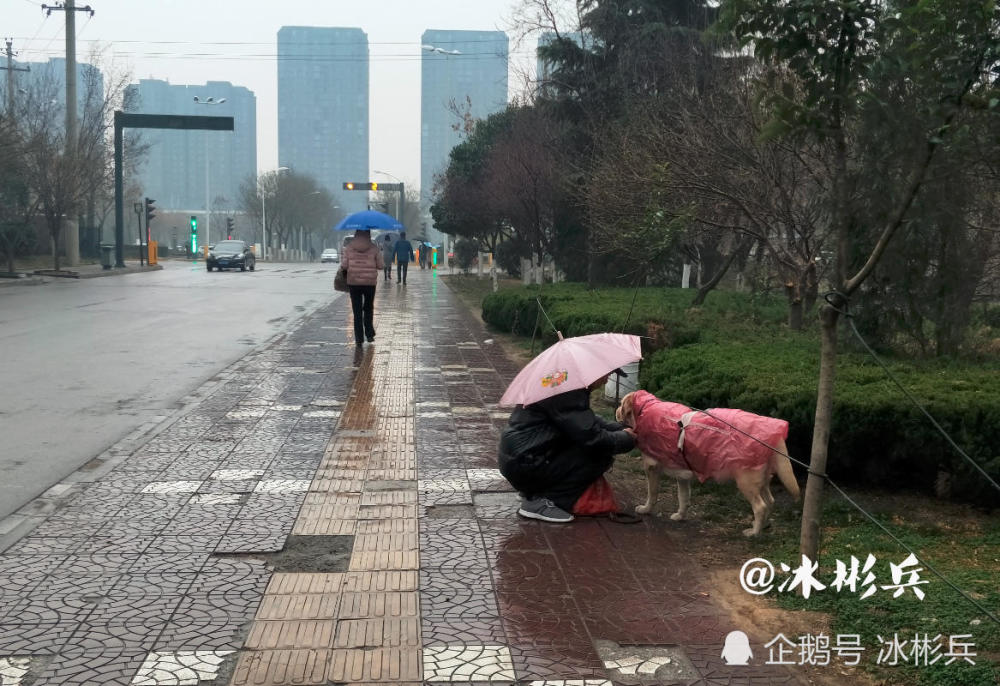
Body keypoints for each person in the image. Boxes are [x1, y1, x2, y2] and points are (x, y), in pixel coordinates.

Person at [497, 372, 636, 523]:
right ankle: (543, 501)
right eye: (605, 375)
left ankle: (533, 490)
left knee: (586, 446)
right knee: (598, 455)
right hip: (527, 464)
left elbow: (585, 422)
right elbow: (594, 439)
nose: (606, 380)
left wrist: (620, 428)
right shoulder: (568, 393)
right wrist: (627, 439)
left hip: (523, 459)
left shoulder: (561, 383)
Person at [340, 229, 384, 346]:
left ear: (356, 235)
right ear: (368, 235)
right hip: (369, 284)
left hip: (354, 283)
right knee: (369, 308)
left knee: (357, 311)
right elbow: (380, 266)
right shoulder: (374, 248)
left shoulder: (348, 248)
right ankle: (369, 334)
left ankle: (359, 338)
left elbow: (344, 265)